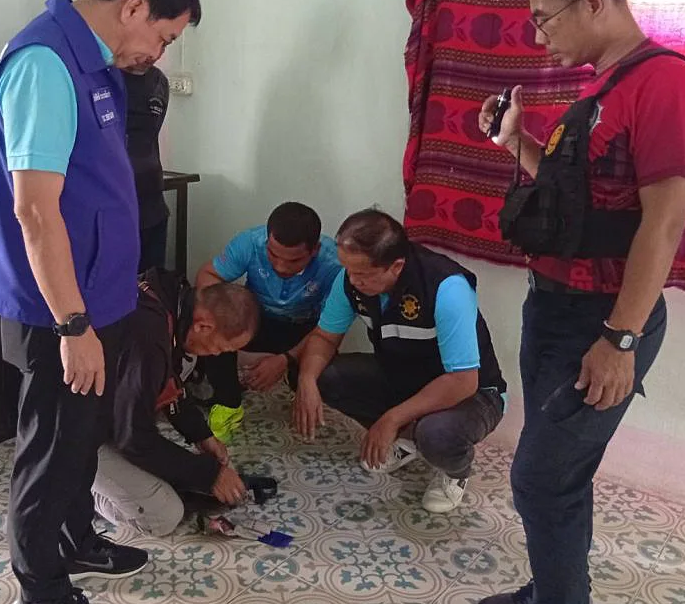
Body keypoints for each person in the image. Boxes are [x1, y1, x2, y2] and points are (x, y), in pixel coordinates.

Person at [475, 0, 685, 604]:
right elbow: (574, 205)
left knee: (540, 478)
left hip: (602, 320)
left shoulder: (663, 82)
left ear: (596, 1)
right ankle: (552, 593)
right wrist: (515, 142)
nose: (538, 35)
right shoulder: (600, 87)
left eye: (544, 18)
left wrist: (621, 337)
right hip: (552, 310)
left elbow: (664, 222)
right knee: (560, 476)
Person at [0, 0, 201, 604]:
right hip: (62, 311)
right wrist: (73, 325)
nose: (158, 54)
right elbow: (34, 209)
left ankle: (74, 539)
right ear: (134, 6)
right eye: (164, 37)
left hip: (96, 297)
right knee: (51, 450)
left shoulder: (95, 65)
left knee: (80, 438)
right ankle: (39, 597)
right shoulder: (44, 63)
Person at [292, 209, 506, 513]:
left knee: (437, 434)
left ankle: (455, 471)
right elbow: (325, 338)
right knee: (323, 375)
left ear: (396, 266)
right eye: (348, 270)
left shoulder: (447, 287)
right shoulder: (350, 280)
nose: (352, 280)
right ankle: (407, 439)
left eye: (363, 274)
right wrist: (306, 380)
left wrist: (391, 418)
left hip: (474, 394)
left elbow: (463, 381)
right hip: (404, 377)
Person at [91, 269, 260, 538]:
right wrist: (209, 475)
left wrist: (202, 435)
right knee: (164, 515)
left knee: (173, 481)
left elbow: (169, 383)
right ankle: (81, 493)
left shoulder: (171, 301)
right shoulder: (148, 337)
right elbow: (132, 437)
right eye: (220, 348)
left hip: (109, 417)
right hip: (76, 433)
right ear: (204, 326)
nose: (216, 355)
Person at [195, 202, 343, 442]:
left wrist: (285, 360)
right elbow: (208, 274)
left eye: (293, 261)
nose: (280, 266)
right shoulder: (249, 242)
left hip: (306, 329)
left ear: (314, 250)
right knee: (212, 328)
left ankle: (295, 385)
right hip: (256, 320)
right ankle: (227, 402)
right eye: (273, 255)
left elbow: (329, 330)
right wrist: (225, 314)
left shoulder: (335, 265)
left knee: (327, 376)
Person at [123, 65, 171, 272]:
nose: (156, 53)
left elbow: (148, 138)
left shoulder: (158, 81)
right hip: (112, 209)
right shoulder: (99, 76)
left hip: (152, 208)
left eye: (164, 48)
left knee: (151, 284)